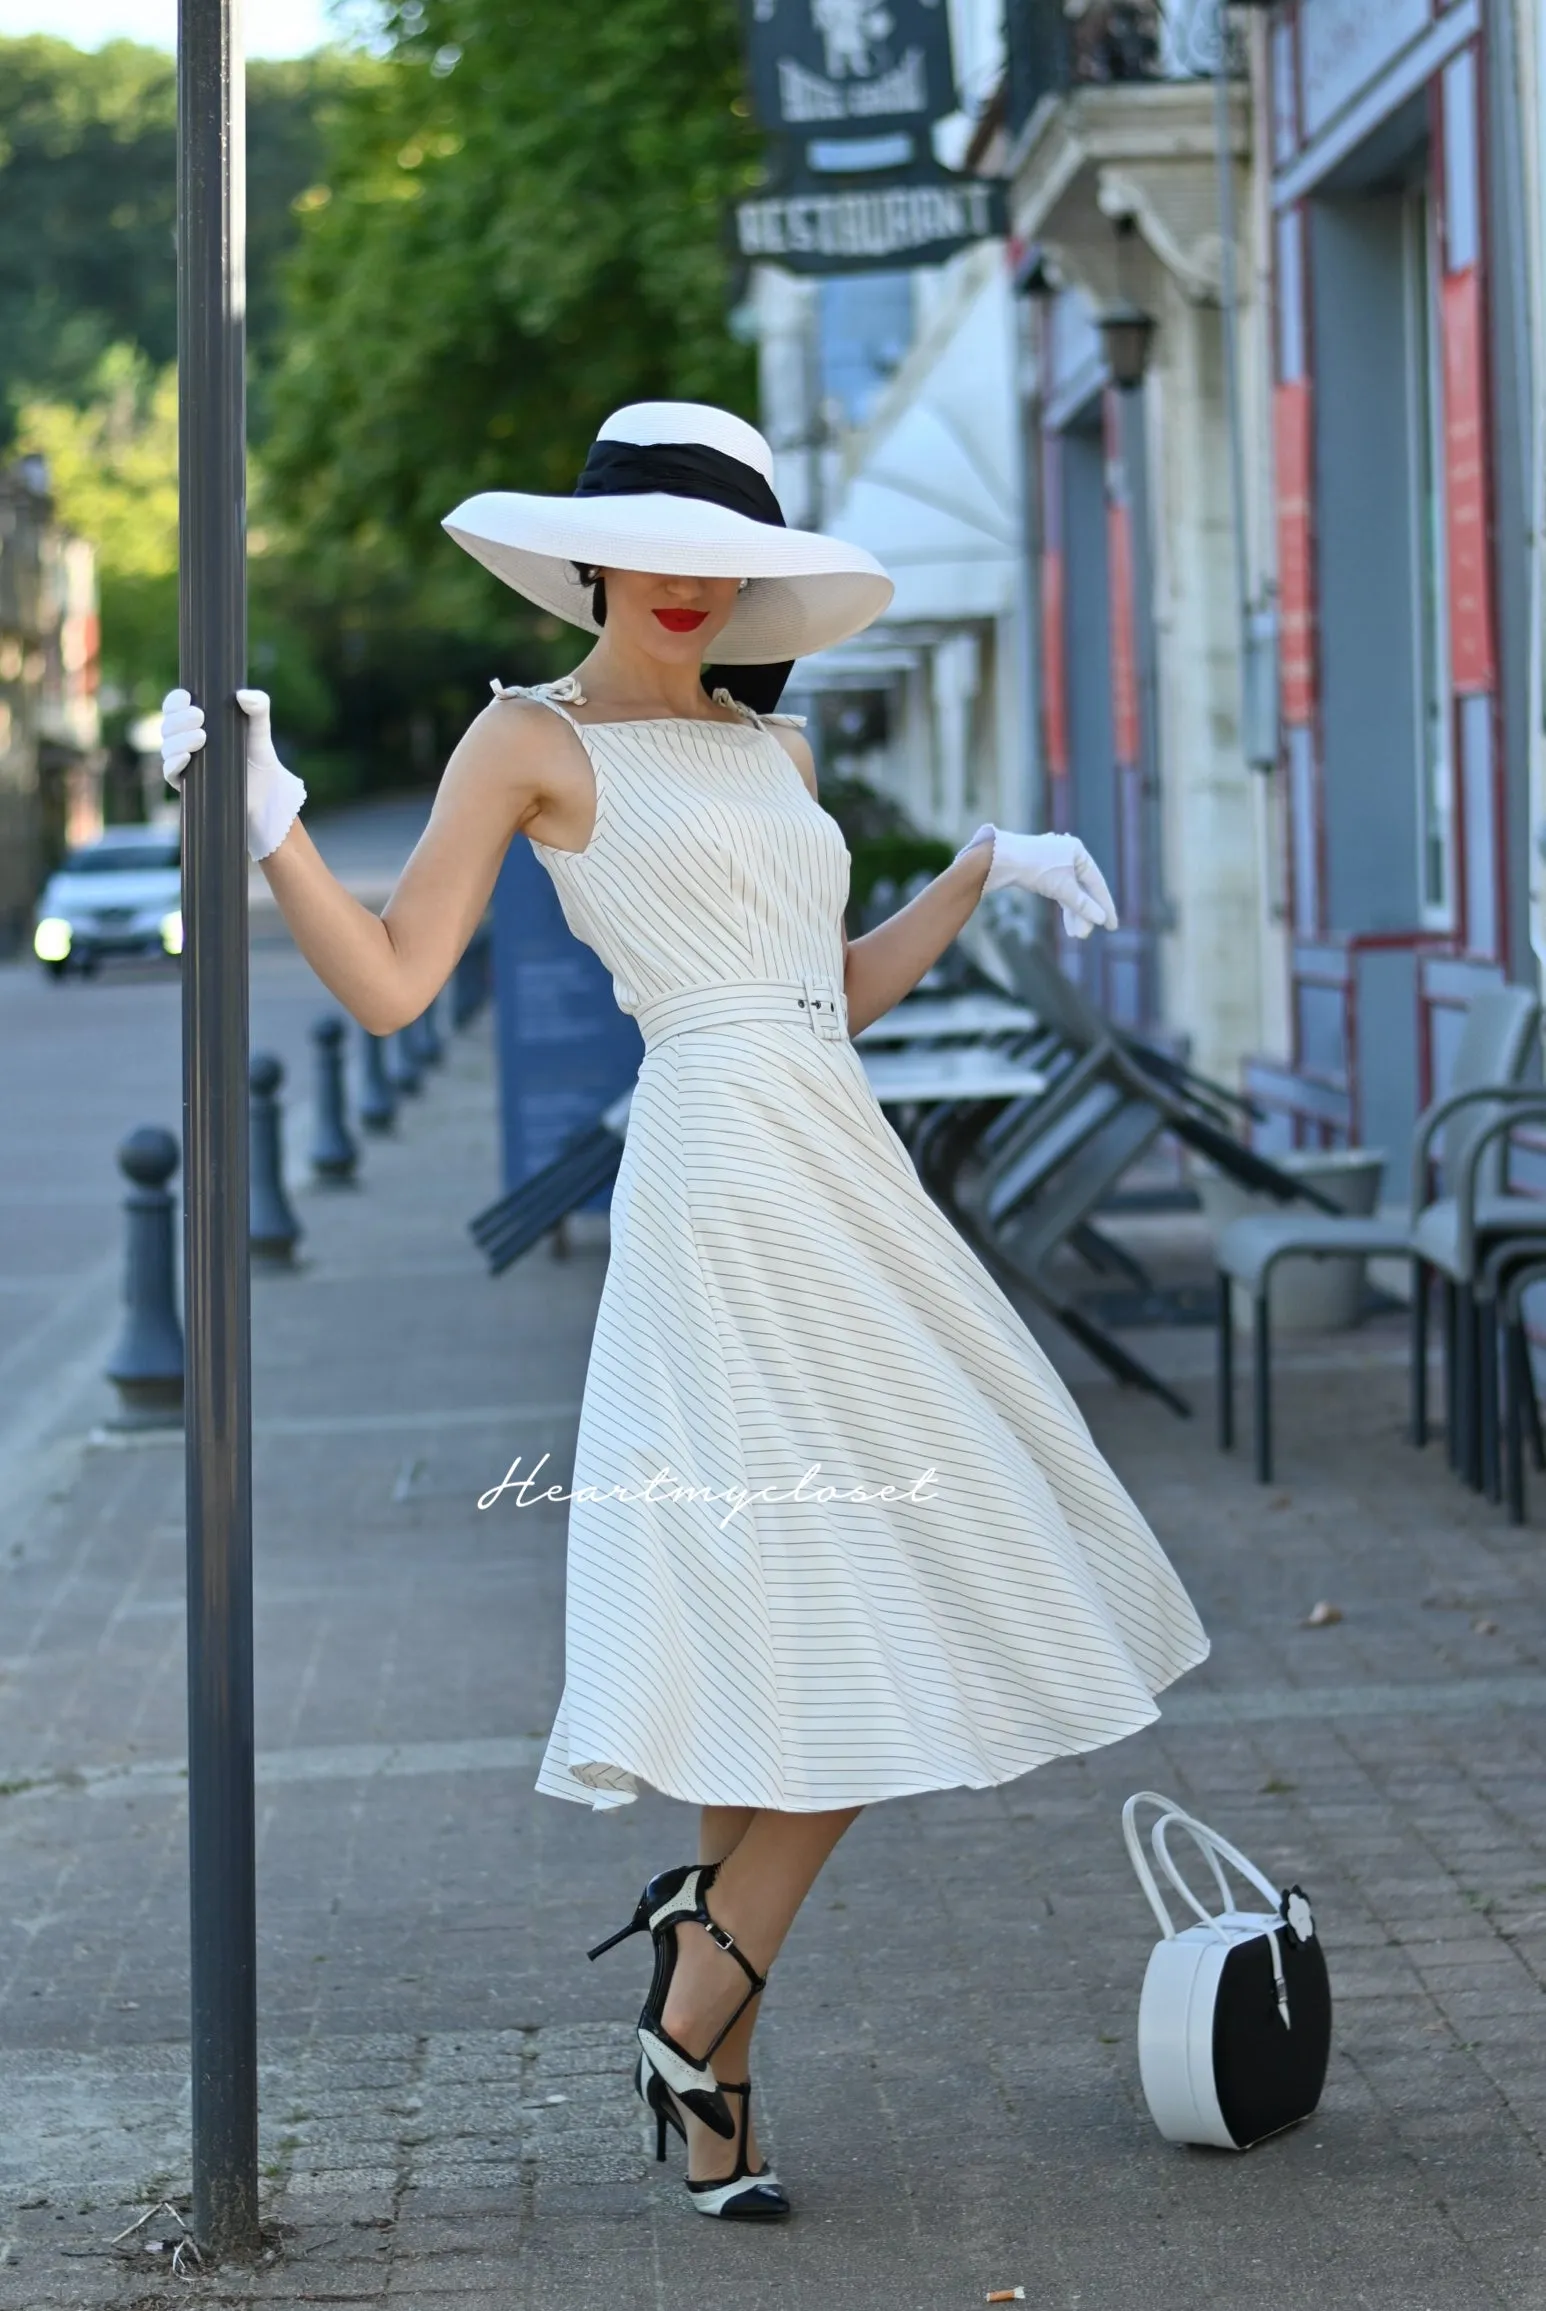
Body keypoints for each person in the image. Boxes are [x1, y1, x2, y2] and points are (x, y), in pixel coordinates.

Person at [161, 400, 1208, 2225]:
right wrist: (271, 829)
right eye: (658, 549)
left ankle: (708, 2070)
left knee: (813, 1617)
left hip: (844, 1169)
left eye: (725, 563)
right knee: (865, 1594)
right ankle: (701, 1968)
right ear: (590, 551)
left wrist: (974, 871)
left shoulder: (772, 753)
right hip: (723, 1189)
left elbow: (833, 994)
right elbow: (399, 984)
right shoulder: (529, 736)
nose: (690, 585)